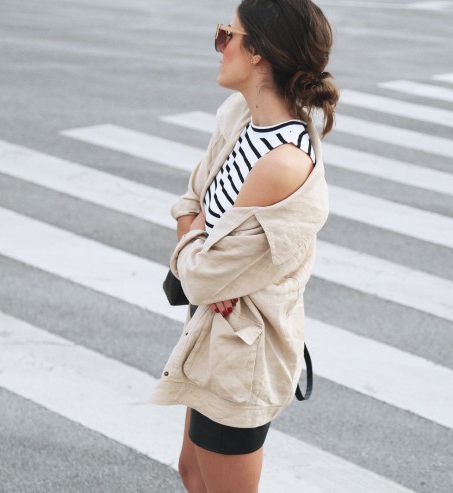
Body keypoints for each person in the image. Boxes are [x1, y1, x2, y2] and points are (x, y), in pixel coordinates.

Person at [149, 0, 339, 491]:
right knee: (191, 471)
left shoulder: (281, 163)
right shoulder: (239, 117)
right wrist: (200, 251)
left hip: (241, 355)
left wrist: (198, 256)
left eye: (226, 35)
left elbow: (200, 274)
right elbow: (191, 198)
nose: (219, 46)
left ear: (258, 53)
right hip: (210, 330)